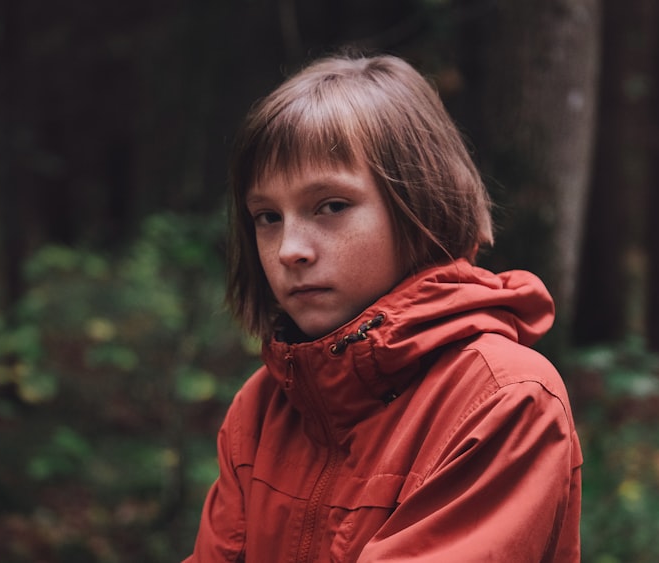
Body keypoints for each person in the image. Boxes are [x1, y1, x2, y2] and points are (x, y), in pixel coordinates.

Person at [185, 51, 582, 562]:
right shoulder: (262, 407)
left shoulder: (504, 398)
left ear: (420, 201)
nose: (290, 249)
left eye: (330, 206)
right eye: (267, 216)